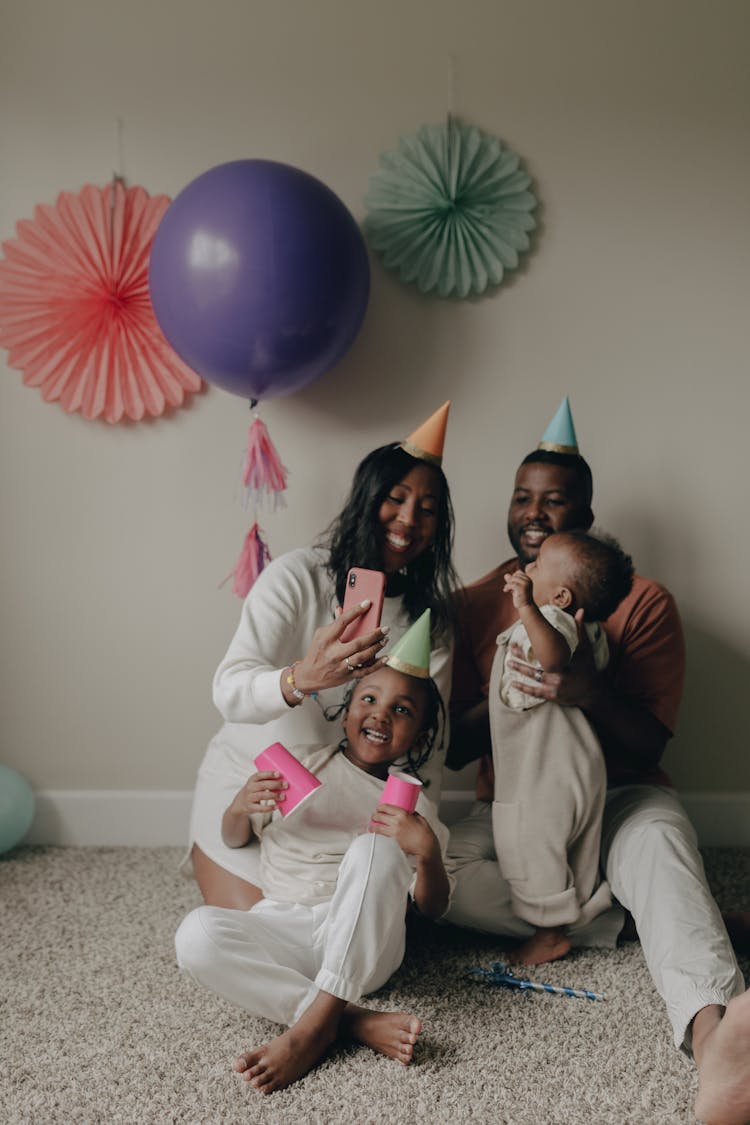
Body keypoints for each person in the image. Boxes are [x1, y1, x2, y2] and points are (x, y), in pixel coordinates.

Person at [446, 397, 750, 1125]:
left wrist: (585, 689)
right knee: (434, 868)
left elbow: (648, 744)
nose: (532, 511)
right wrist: (513, 699)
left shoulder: (641, 602)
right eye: (522, 496)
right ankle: (620, 915)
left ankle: (717, 1048)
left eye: (554, 500)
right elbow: (456, 747)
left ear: (584, 510)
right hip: (515, 810)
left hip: (619, 797)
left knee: (662, 852)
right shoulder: (479, 599)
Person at [185, 402, 459, 911]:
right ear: (366, 500)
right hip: (258, 794)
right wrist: (302, 678)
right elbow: (228, 693)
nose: (408, 519)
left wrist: (426, 837)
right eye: (395, 499)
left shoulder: (431, 621)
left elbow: (430, 746)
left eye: (427, 509)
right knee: (264, 932)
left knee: (356, 932)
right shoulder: (295, 577)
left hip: (356, 809)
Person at [175, 622, 453, 1094]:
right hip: (283, 925)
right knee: (195, 936)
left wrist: (427, 855)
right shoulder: (301, 765)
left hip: (364, 943)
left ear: (420, 735)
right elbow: (235, 838)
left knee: (372, 848)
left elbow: (432, 908)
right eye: (368, 699)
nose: (380, 715)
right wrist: (240, 805)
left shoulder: (412, 804)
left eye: (401, 710)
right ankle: (349, 1019)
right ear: (345, 711)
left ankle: (311, 1029)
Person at [491, 529, 634, 965]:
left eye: (536, 565)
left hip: (544, 767)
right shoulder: (589, 632)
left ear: (562, 597)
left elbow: (550, 658)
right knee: (569, 849)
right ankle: (598, 914)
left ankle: (549, 933)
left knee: (528, 845)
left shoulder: (550, 621)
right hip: (577, 759)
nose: (527, 567)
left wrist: (526, 606)